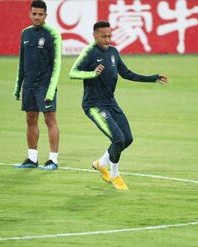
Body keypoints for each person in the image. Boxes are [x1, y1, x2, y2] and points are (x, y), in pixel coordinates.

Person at [69, 21, 168, 190]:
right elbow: (72, 73)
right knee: (118, 139)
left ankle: (101, 163)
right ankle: (115, 175)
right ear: (94, 35)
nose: (107, 40)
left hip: (110, 102)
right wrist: (92, 73)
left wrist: (152, 78)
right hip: (94, 105)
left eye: (109, 36)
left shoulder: (114, 52)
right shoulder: (89, 52)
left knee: (127, 139)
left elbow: (127, 74)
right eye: (103, 36)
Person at [14, 0, 62, 170]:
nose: (37, 17)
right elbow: (22, 62)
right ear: (30, 13)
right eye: (34, 13)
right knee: (30, 118)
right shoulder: (25, 33)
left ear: (46, 15)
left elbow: (57, 65)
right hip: (29, 85)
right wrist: (18, 86)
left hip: (45, 85)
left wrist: (50, 89)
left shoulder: (53, 35)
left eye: (40, 14)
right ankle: (32, 159)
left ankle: (53, 160)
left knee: (50, 119)